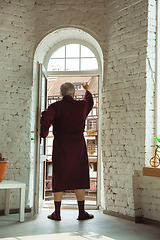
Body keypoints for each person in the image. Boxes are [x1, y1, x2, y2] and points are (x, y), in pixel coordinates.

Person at [40, 82, 94, 221]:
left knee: (59, 176)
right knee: (79, 177)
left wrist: (43, 134)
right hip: (78, 147)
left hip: (61, 146)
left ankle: (57, 213)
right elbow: (89, 101)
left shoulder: (55, 106)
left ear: (61, 94)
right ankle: (81, 213)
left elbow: (45, 117)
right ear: (73, 93)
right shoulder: (81, 106)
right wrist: (87, 89)